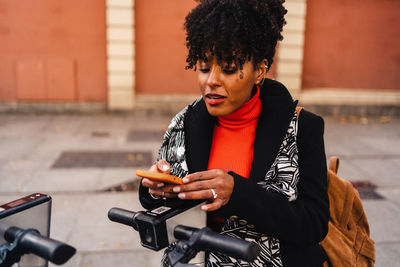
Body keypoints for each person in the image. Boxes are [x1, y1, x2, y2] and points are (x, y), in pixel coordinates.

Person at [139, 0, 329, 266]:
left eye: (228, 68)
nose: (211, 80)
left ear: (260, 69)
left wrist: (238, 194)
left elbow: (314, 224)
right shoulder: (183, 123)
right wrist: (156, 190)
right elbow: (161, 206)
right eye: (204, 67)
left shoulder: (302, 128)